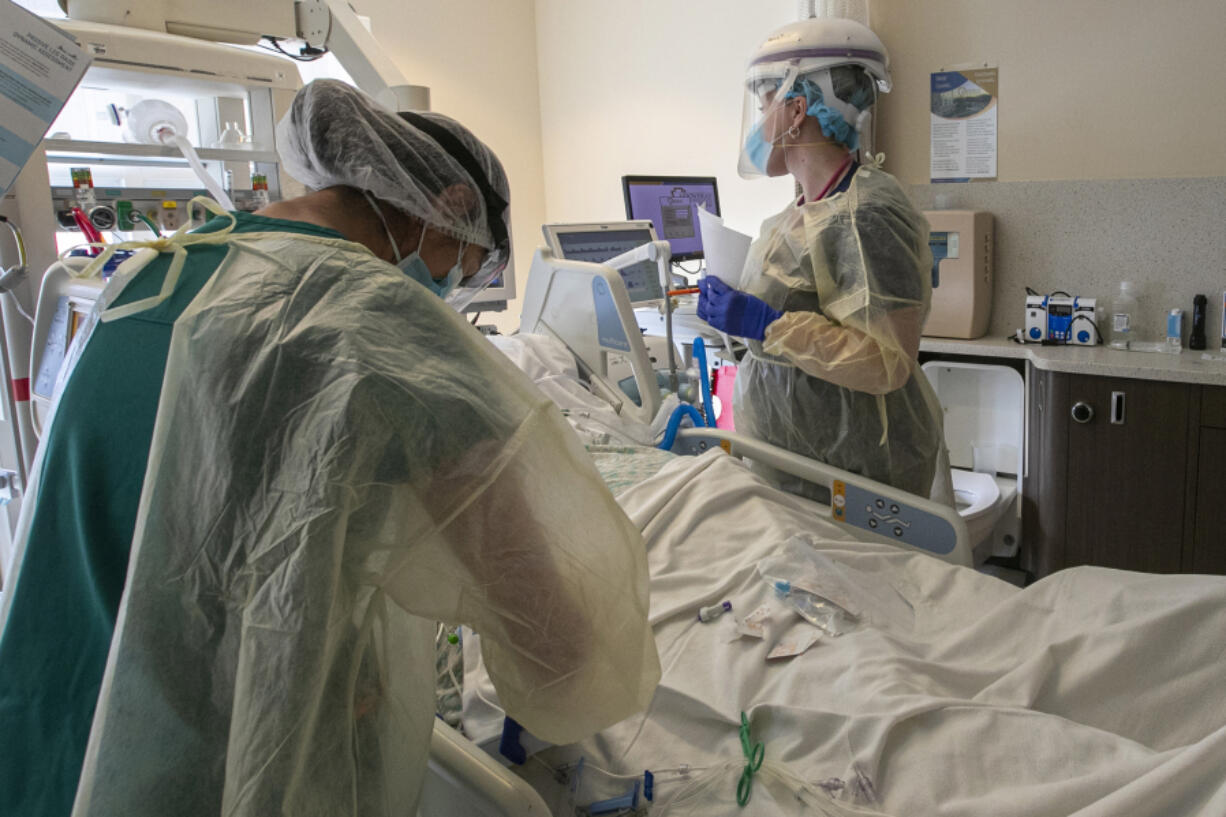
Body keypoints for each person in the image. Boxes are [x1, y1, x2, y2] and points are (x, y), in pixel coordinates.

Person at [0, 79, 660, 817]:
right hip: (189, 768)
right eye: (462, 273)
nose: (449, 296)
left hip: (43, 724)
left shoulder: (148, 276)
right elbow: (566, 646)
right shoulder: (379, 324)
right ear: (447, 210)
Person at [697, 17, 952, 504]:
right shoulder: (800, 213)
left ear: (797, 109)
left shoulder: (867, 211)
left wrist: (770, 325)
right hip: (796, 460)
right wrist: (739, 313)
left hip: (858, 469)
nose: (759, 121)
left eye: (765, 103)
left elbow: (886, 361)